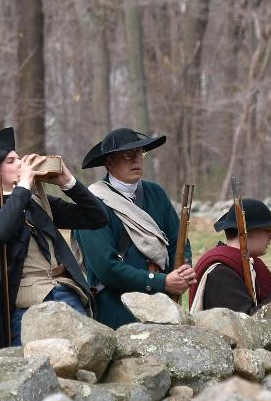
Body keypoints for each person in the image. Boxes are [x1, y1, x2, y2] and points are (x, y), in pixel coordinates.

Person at [0, 127, 108, 347]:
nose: (22, 163)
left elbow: (97, 218)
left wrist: (68, 182)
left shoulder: (39, 203)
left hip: (68, 294)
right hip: (24, 307)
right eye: (12, 161)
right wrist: (24, 185)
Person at [73, 128, 196, 329]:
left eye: (140, 153)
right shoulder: (91, 204)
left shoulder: (155, 193)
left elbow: (178, 241)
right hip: (117, 312)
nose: (136, 159)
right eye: (128, 155)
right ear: (109, 162)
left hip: (162, 305)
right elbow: (106, 268)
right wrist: (161, 282)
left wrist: (182, 270)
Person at [190, 198, 271, 314]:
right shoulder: (220, 274)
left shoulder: (241, 263)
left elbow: (267, 296)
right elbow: (245, 323)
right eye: (267, 229)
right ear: (247, 231)